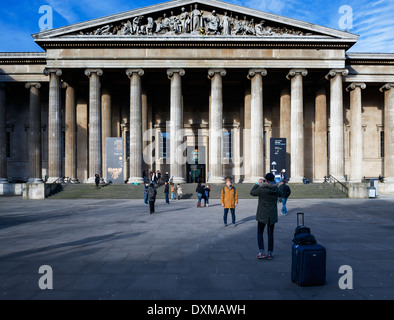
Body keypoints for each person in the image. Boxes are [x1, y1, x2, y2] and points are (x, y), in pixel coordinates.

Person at [250, 173, 280, 260]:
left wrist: (257, 184)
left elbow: (252, 192)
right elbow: (282, 193)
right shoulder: (276, 189)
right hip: (272, 215)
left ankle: (261, 252)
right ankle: (270, 253)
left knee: (260, 233)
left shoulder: (261, 189)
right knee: (270, 234)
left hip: (262, 214)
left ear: (265, 180)